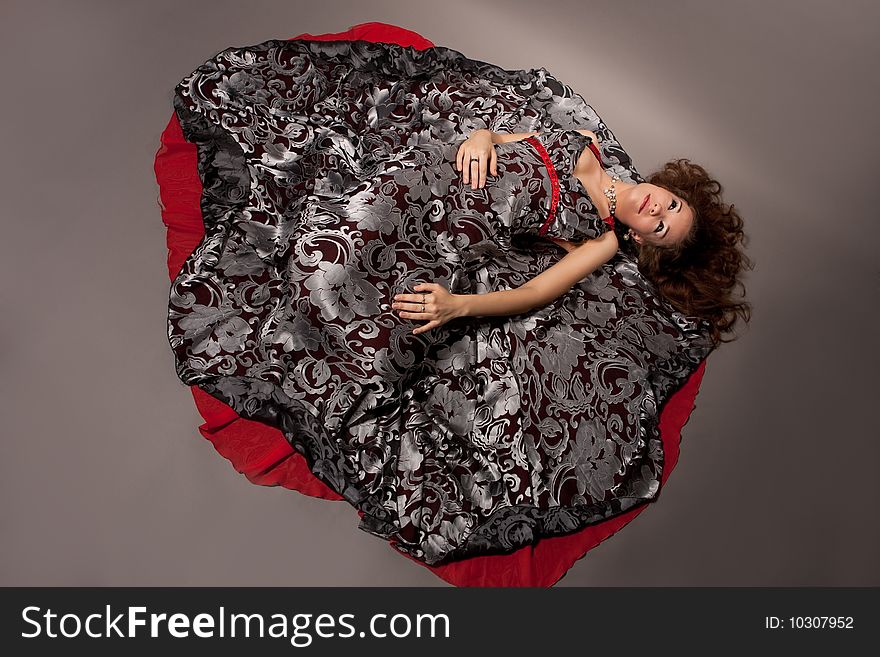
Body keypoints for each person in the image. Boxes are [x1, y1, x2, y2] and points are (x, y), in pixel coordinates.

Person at [167, 36, 752, 566]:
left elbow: (537, 290)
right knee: (334, 235)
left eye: (662, 229)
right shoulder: (589, 143)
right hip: (430, 167)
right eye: (671, 206)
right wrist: (483, 135)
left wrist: (458, 307)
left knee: (344, 287)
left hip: (452, 234)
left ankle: (333, 305)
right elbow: (517, 134)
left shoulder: (600, 240)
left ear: (644, 247)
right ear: (671, 189)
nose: (657, 212)